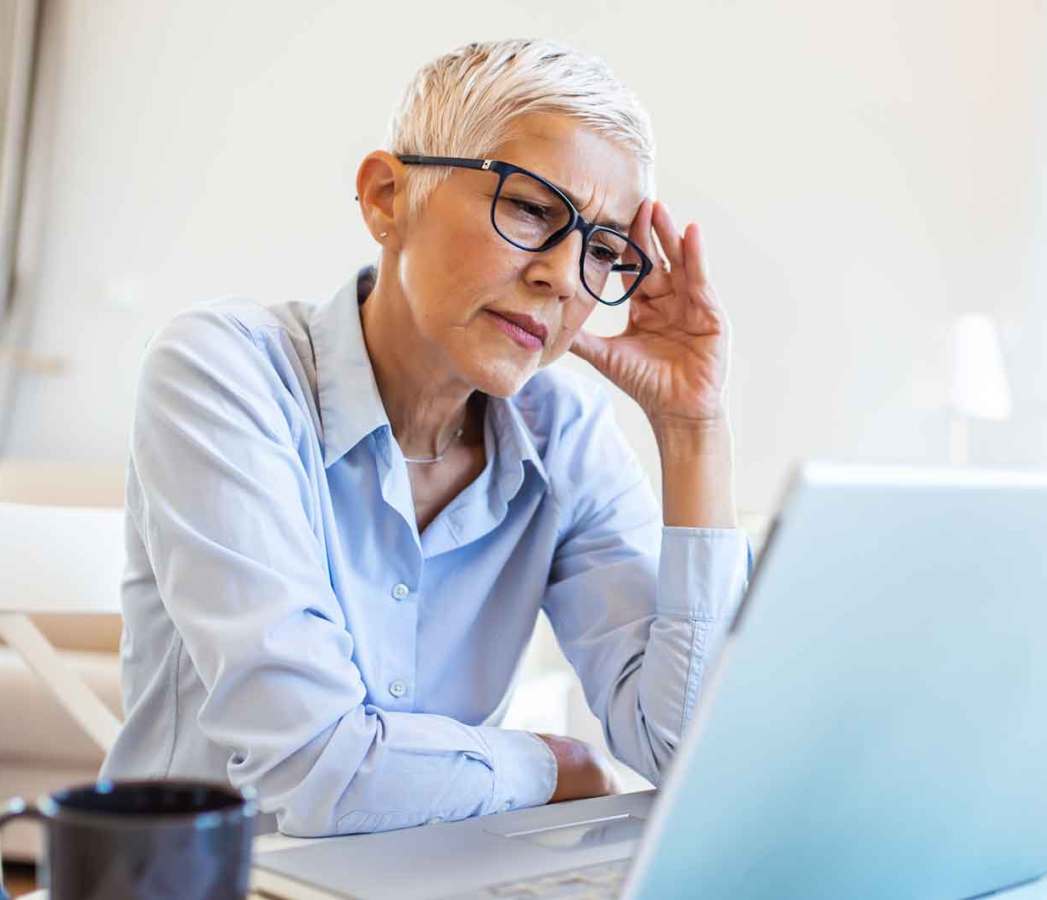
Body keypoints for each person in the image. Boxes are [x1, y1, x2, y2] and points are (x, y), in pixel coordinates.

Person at [100, 38, 749, 837]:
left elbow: (688, 755)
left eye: (604, 249)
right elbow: (314, 772)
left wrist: (694, 430)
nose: (560, 274)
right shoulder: (224, 372)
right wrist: (553, 765)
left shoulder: (566, 433)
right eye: (532, 209)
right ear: (385, 198)